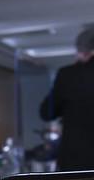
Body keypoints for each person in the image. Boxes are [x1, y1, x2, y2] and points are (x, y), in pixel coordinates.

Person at [40, 29, 94, 171]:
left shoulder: (69, 74)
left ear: (80, 51)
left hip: (77, 162)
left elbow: (47, 112)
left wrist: (75, 70)